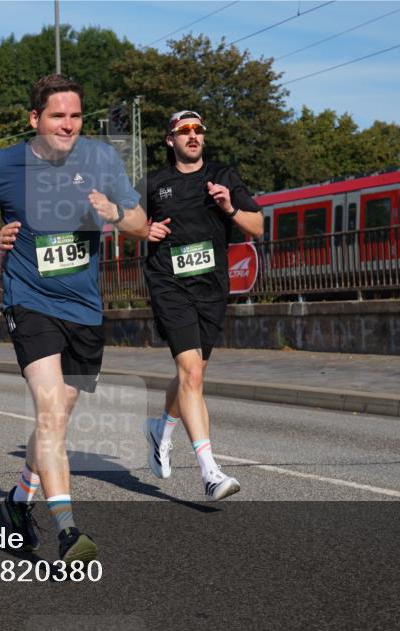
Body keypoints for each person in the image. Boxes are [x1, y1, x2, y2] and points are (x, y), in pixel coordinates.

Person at [0, 74, 147, 563]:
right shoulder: (5, 165)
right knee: (48, 414)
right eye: (57, 116)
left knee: (57, 423)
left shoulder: (102, 159)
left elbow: (141, 223)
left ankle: (19, 499)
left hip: (85, 308)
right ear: (35, 119)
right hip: (30, 301)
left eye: (76, 116)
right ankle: (68, 530)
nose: (68, 125)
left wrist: (114, 212)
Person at [140, 110, 263, 500]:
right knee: (190, 372)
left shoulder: (224, 176)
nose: (192, 136)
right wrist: (144, 229)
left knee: (192, 376)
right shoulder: (154, 183)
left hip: (212, 287)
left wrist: (229, 208)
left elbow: (258, 226)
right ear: (170, 140)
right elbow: (125, 222)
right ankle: (210, 472)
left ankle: (162, 427)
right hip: (168, 283)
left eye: (198, 130)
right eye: (184, 131)